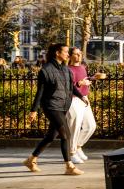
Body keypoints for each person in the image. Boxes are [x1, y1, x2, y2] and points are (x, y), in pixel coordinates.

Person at [23, 43, 85, 175]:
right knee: (66, 134)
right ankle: (69, 166)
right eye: (66, 52)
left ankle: (31, 159)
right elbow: (40, 92)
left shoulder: (66, 69)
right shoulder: (46, 70)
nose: (68, 54)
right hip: (51, 106)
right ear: (57, 53)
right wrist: (33, 110)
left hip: (63, 105)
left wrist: (81, 96)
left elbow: (71, 87)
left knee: (51, 136)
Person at [66, 47, 105, 164]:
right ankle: (71, 153)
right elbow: (69, 86)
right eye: (76, 54)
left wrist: (93, 78)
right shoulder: (67, 69)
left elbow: (84, 79)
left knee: (91, 126)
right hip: (73, 100)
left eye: (80, 53)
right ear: (70, 56)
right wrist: (80, 83)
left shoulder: (83, 67)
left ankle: (78, 146)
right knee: (75, 127)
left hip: (84, 98)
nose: (79, 56)